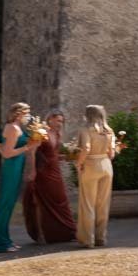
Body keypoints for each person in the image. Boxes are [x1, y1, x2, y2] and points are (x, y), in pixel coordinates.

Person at [0, 102, 38, 252]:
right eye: (27, 113)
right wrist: (28, 147)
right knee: (5, 205)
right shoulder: (13, 128)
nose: (29, 116)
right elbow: (8, 153)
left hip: (15, 167)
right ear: (19, 114)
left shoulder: (15, 127)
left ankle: (5, 240)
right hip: (12, 169)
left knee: (8, 205)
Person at [23, 109, 77, 244]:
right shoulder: (40, 132)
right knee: (42, 203)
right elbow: (31, 151)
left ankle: (67, 232)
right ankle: (42, 235)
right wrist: (32, 171)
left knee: (61, 200)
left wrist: (68, 157)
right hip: (42, 171)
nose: (60, 124)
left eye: (62, 122)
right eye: (58, 120)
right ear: (50, 119)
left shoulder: (58, 134)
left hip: (55, 171)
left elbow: (54, 155)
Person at [73, 105, 116, 247]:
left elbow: (86, 148)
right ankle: (100, 237)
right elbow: (112, 154)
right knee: (103, 204)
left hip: (91, 164)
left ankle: (87, 239)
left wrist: (78, 163)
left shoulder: (86, 130)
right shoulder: (109, 131)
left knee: (87, 203)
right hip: (106, 165)